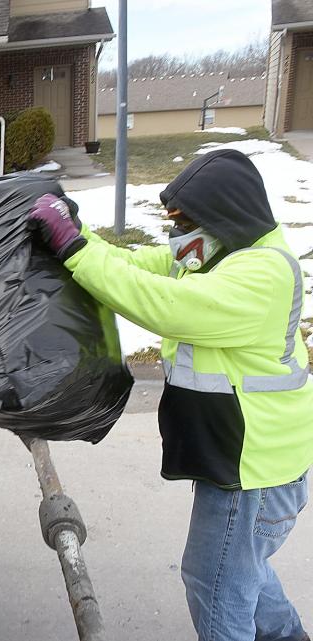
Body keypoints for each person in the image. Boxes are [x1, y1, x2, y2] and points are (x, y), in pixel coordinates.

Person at [28, 149, 312, 641]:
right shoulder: (216, 251)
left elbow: (165, 305)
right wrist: (80, 234)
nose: (175, 235)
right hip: (249, 463)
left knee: (216, 585)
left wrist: (74, 248)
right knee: (246, 574)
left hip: (254, 476)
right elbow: (133, 265)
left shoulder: (263, 275)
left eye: (184, 222)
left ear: (223, 218)